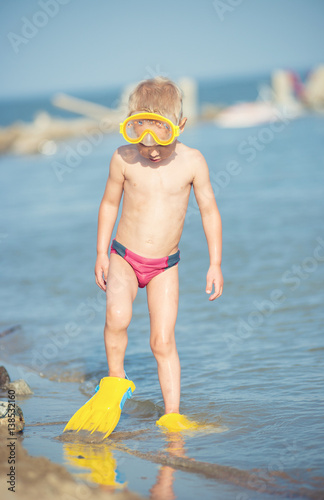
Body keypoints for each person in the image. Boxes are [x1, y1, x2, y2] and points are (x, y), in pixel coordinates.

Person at [63, 77, 223, 438]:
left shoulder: (193, 162)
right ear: (131, 125)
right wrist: (101, 252)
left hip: (165, 266)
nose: (150, 149)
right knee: (117, 318)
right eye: (140, 135)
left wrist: (215, 262)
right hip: (123, 256)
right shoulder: (123, 158)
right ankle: (115, 382)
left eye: (159, 140)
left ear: (178, 126)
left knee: (162, 341)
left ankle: (171, 414)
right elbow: (108, 204)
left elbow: (210, 211)